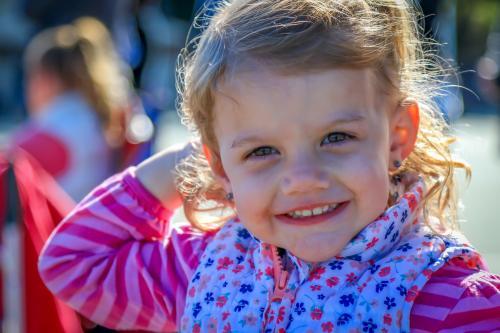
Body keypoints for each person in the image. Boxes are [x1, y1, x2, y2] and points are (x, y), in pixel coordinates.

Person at [38, 0, 500, 332]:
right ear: (219, 164)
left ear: (397, 136)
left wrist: (238, 159)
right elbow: (71, 262)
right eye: (261, 151)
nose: (302, 179)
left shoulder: (454, 301)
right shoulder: (202, 268)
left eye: (336, 138)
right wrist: (188, 165)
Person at [10, 17, 133, 201]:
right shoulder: (92, 116)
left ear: (47, 79)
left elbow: (6, 170)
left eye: (30, 77)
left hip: (57, 226)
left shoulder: (58, 129)